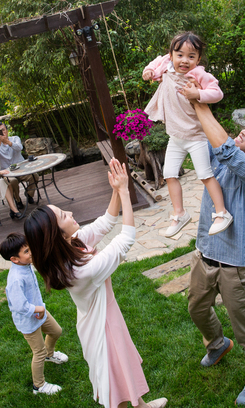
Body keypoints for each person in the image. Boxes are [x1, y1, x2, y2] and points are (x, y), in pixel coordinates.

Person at [24, 159, 167, 408]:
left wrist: (115, 190)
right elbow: (126, 239)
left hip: (107, 317)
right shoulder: (80, 272)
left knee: (123, 369)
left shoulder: (70, 245)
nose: (70, 213)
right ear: (57, 234)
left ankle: (142, 406)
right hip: (101, 327)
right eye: (63, 215)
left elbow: (105, 223)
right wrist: (125, 193)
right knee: (115, 382)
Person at [178, 87, 245, 406]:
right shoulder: (219, 158)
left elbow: (226, 149)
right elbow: (201, 138)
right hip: (204, 255)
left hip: (234, 268)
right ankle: (217, 344)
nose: (243, 131)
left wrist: (200, 102)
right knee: (197, 309)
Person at [143, 31, 231, 238]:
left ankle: (222, 213)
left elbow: (217, 93)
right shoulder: (166, 66)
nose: (185, 60)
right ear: (171, 55)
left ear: (198, 60)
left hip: (195, 136)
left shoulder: (198, 74)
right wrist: (148, 71)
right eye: (180, 55)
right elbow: (154, 64)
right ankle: (180, 214)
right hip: (175, 136)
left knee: (205, 175)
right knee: (169, 174)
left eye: (191, 56)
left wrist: (198, 93)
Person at [0, 233, 69, 395]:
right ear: (14, 259)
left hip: (38, 310)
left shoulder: (25, 265)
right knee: (39, 352)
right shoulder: (16, 279)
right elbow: (19, 306)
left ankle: (49, 355)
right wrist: (38, 310)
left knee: (56, 331)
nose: (31, 252)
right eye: (26, 251)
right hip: (28, 320)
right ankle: (39, 385)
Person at [0, 122, 39, 207]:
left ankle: (29, 194)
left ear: (7, 130)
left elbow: (20, 148)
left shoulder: (15, 138)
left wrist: (8, 142)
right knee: (13, 181)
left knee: (35, 175)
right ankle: (18, 200)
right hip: (7, 173)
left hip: (21, 169)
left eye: (3, 130)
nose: (2, 132)